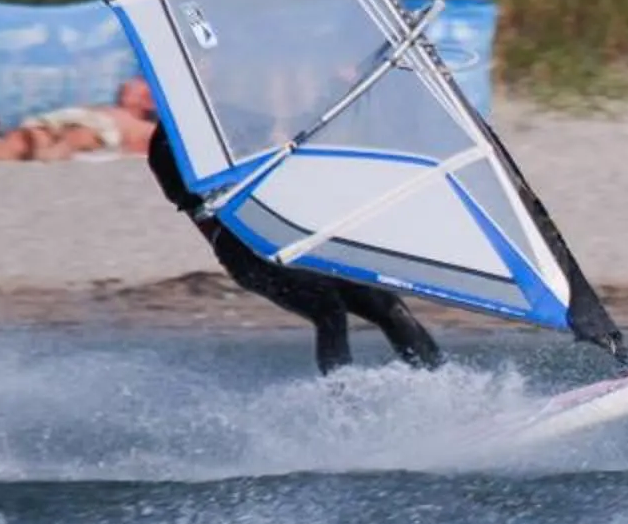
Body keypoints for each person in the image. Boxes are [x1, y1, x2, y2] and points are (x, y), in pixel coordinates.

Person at [147, 133, 445, 376]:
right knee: (328, 309)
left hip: (290, 230)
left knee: (386, 305)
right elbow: (201, 199)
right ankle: (343, 404)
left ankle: (439, 382)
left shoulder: (230, 116)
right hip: (243, 247)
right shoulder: (165, 146)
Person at [0, 78, 163, 162]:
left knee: (79, 135)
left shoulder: (144, 125)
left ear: (149, 103)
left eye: (135, 88)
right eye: (124, 87)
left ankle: (53, 153)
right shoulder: (106, 107)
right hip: (76, 117)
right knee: (24, 135)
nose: (125, 88)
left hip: (100, 128)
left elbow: (147, 147)